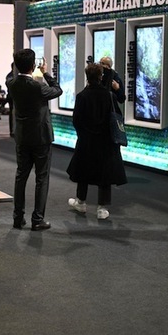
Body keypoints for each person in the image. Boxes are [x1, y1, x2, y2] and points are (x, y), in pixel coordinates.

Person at [6, 49, 62, 231]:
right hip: (41, 137)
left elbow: (13, 75)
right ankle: (37, 219)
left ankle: (17, 218)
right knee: (42, 178)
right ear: (33, 66)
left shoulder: (11, 83)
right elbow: (58, 90)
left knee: (21, 176)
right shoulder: (38, 87)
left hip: (22, 137)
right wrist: (45, 72)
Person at [67, 63, 127, 219]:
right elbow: (117, 119)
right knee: (104, 174)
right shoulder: (109, 96)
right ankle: (102, 208)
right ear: (101, 76)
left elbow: (76, 120)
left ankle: (80, 202)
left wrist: (83, 135)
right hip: (106, 141)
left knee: (83, 172)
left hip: (86, 141)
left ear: (87, 76)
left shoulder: (81, 96)